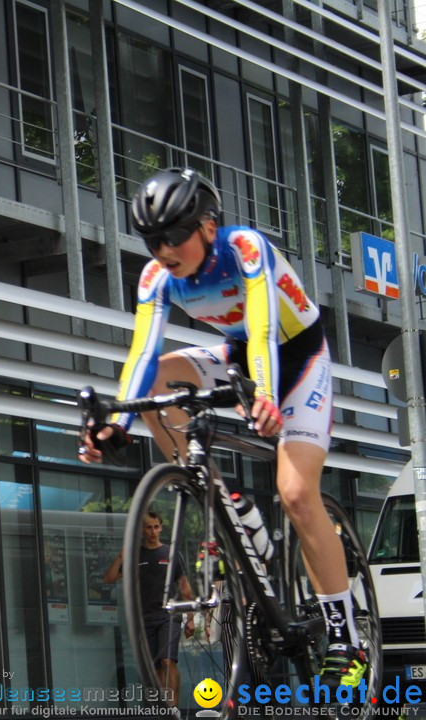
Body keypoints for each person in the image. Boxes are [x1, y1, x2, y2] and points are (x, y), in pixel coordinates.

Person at [80, 167, 364, 691]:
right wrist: (117, 422)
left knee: (298, 494)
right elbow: (142, 352)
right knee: (159, 382)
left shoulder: (246, 249)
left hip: (296, 358)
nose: (162, 249)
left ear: (207, 226)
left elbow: (262, 327)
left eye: (173, 235)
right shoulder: (156, 277)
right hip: (236, 356)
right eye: (151, 239)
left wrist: (264, 395)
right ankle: (223, 497)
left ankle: (347, 638)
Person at [104, 511, 195, 708]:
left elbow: (185, 587)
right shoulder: (134, 555)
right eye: (149, 527)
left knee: (168, 662)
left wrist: (190, 618)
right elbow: (109, 578)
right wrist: (121, 556)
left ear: (161, 528)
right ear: (142, 530)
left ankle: (173, 709)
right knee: (156, 669)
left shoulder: (171, 553)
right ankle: (163, 708)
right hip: (144, 619)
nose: (153, 531)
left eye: (156, 527)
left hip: (168, 616)